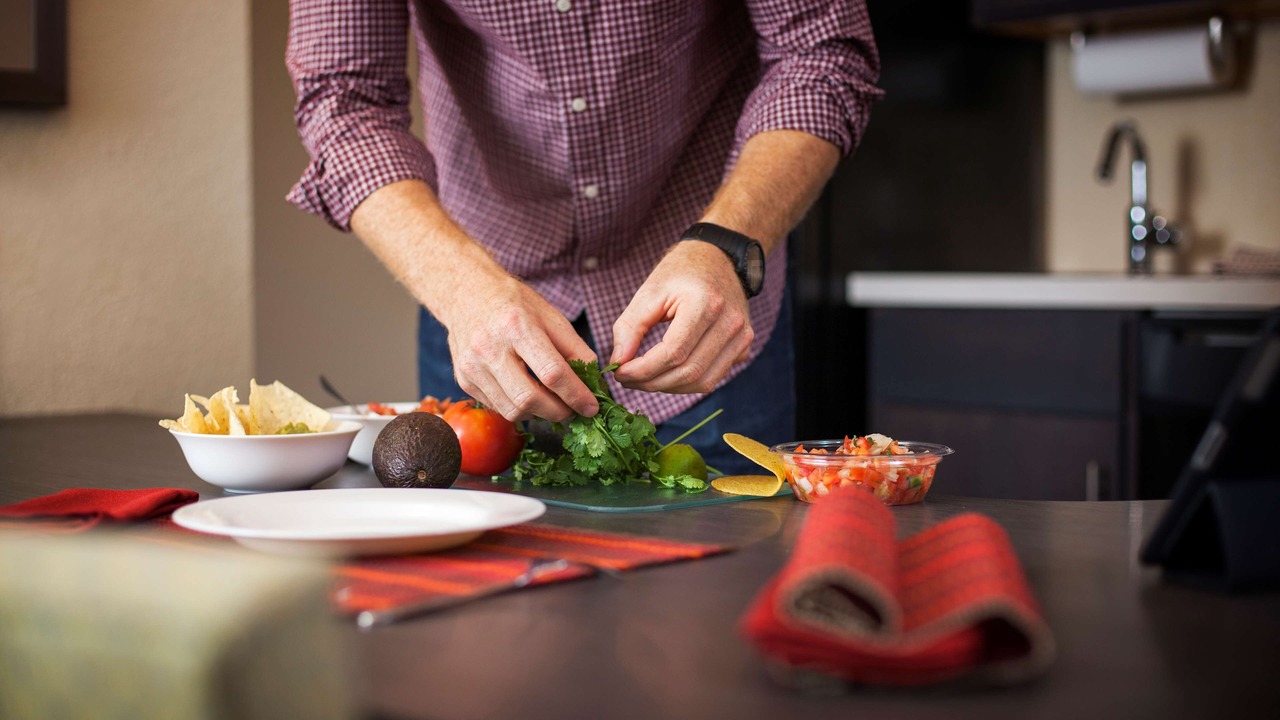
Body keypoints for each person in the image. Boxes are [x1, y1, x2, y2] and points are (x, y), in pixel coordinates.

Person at [286, 0, 881, 473]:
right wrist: (464, 292)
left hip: (708, 303)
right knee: (484, 608)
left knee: (715, 598)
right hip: (481, 312)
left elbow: (821, 52)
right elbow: (344, 100)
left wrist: (725, 243)